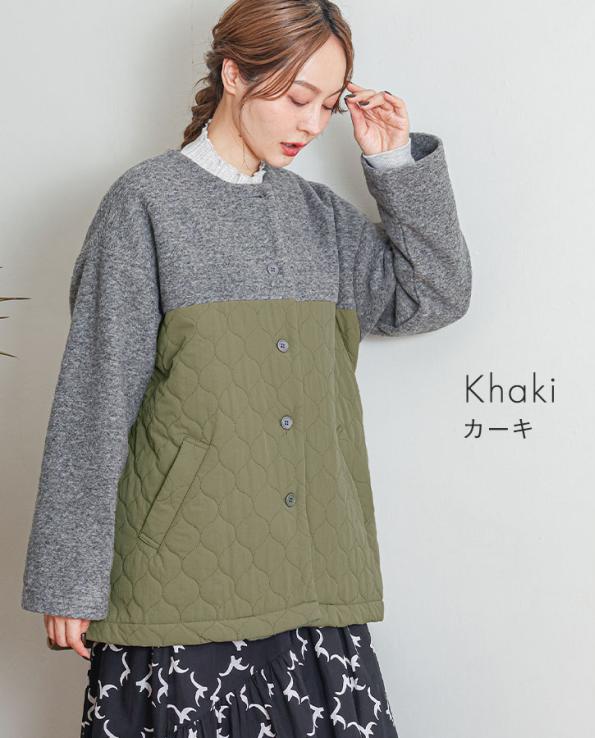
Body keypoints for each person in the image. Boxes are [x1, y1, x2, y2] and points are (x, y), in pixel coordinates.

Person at [20, 0, 472, 735]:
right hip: (180, 592)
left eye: (327, 105)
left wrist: (391, 161)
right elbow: (95, 399)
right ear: (234, 74)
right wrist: (68, 577)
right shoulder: (145, 205)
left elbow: (433, 294)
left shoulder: (321, 218)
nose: (310, 123)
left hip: (314, 586)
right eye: (297, 97)